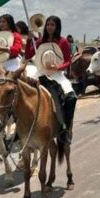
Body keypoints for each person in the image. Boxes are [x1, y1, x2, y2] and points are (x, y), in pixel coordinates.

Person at [25, 16, 75, 145]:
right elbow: (27, 55)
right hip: (40, 73)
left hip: (57, 74)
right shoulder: (41, 40)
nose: (49, 27)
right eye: (48, 25)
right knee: (21, 92)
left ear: (57, 27)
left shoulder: (63, 41)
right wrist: (30, 41)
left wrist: (58, 67)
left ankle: (64, 129)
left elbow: (68, 61)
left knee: (71, 98)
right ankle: (19, 131)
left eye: (52, 25)